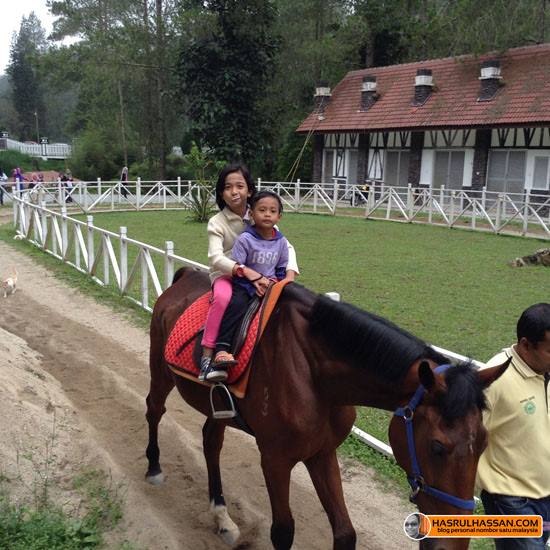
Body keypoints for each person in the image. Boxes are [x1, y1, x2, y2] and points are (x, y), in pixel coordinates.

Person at [198, 163, 299, 382]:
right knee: (224, 298)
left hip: (262, 274)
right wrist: (246, 272)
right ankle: (208, 355)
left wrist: (289, 274)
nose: (234, 192)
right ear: (221, 192)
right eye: (227, 187)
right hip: (227, 274)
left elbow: (285, 245)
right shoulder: (217, 222)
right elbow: (216, 257)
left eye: (240, 186)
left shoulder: (260, 213)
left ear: (249, 190)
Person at [477, 303, 550, 550]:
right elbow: (465, 439)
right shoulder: (492, 379)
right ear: (526, 344)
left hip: (545, 493)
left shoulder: (545, 370)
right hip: (509, 499)